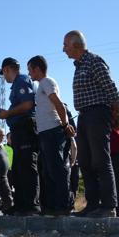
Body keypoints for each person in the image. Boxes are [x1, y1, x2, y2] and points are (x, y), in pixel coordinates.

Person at [63, 30, 119, 217]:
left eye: (66, 45)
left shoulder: (94, 61)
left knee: (101, 159)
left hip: (98, 113)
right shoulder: (79, 66)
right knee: (86, 161)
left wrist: (117, 117)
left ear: (76, 45)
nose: (63, 49)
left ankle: (109, 205)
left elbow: (113, 91)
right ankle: (93, 204)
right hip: (84, 115)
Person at [27, 55, 75, 216]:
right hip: (45, 133)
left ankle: (63, 206)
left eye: (30, 70)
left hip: (53, 131)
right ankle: (53, 206)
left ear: (37, 69)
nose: (29, 74)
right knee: (48, 170)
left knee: (57, 170)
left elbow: (58, 104)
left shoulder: (47, 82)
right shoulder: (41, 85)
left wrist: (65, 125)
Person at [0, 57, 39, 216]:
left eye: (4, 73)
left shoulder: (21, 80)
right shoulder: (18, 83)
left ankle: (31, 205)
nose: (4, 77)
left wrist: (7, 113)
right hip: (19, 128)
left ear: (7, 69)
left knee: (27, 166)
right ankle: (21, 204)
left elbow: (28, 105)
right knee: (20, 168)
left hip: (25, 127)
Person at [0, 128, 13, 212]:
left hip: (9, 170)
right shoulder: (2, 146)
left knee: (3, 183)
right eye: (0, 135)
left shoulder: (2, 147)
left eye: (3, 136)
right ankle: (5, 203)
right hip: (6, 169)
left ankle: (9, 204)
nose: (2, 137)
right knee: (0, 184)